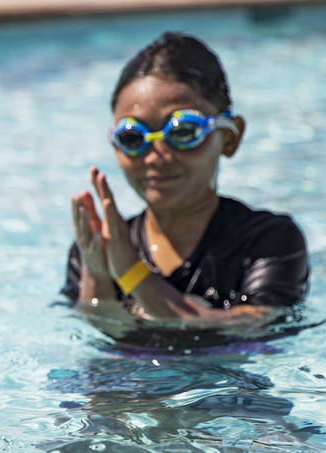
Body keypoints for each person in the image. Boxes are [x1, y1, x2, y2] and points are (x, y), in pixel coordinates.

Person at [62, 32, 309, 334]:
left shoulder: (267, 242)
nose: (155, 156)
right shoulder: (94, 249)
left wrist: (130, 272)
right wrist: (97, 274)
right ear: (116, 148)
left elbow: (253, 331)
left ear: (229, 138)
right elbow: (99, 346)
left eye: (182, 132)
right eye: (132, 137)